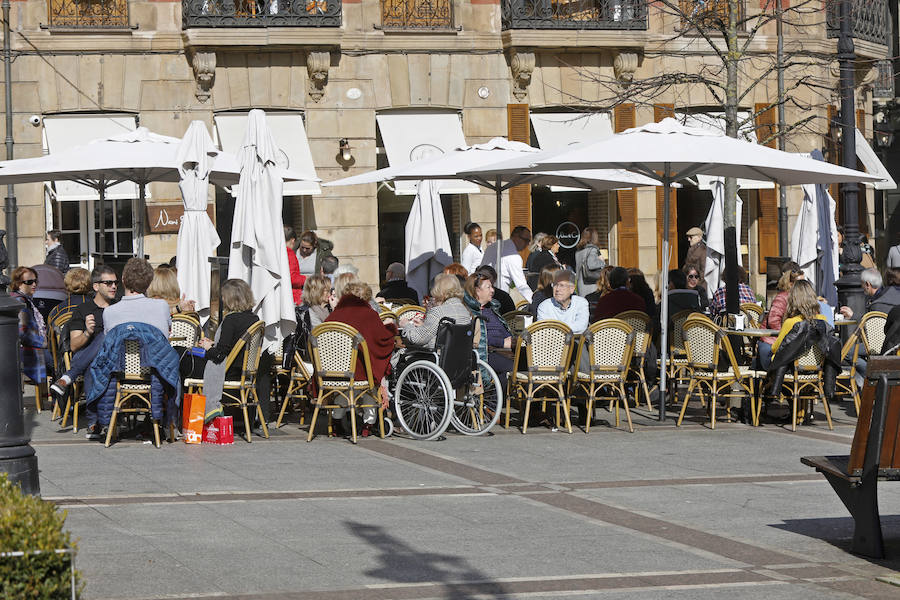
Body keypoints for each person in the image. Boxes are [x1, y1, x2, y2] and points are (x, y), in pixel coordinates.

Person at [49, 266, 119, 438]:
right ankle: (94, 423)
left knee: (104, 338)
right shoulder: (83, 310)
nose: (114, 286)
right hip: (87, 357)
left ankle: (68, 377)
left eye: (115, 282)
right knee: (93, 363)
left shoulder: (119, 308)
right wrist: (88, 332)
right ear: (96, 286)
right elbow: (73, 345)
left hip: (114, 359)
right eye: (108, 283)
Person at [326, 282, 398, 436]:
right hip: (360, 372)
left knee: (345, 389)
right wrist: (391, 329)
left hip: (334, 371)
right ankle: (368, 424)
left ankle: (337, 419)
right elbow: (381, 340)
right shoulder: (369, 315)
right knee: (370, 386)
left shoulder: (334, 315)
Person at [193, 279, 261, 423]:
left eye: (223, 296)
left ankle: (191, 419)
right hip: (244, 371)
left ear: (230, 298)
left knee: (187, 362)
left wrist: (208, 347)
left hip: (227, 370)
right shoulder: (254, 319)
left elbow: (219, 356)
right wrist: (213, 344)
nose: (222, 300)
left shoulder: (231, 320)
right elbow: (233, 344)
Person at [767, 280, 841, 409]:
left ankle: (762, 409)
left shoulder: (791, 322)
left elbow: (776, 348)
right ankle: (802, 412)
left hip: (792, 370)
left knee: (762, 360)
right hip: (816, 370)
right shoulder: (823, 321)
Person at [463, 272, 513, 391]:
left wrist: (512, 340)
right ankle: (492, 402)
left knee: (527, 364)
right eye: (488, 287)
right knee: (511, 368)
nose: (492, 290)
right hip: (482, 354)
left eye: (492, 287)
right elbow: (474, 338)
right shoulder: (469, 311)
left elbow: (502, 329)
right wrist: (501, 343)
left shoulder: (491, 309)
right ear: (476, 291)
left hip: (501, 351)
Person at [103, 258, 172, 337]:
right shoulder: (162, 306)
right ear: (149, 282)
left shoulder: (109, 312)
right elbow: (168, 332)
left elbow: (109, 343)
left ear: (123, 279)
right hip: (155, 349)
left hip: (123, 349)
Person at [400, 274, 471, 349]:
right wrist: (423, 326)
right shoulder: (465, 311)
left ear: (439, 290)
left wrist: (407, 325)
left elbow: (417, 339)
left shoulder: (438, 312)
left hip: (435, 356)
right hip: (457, 357)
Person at [758, 262, 804, 370]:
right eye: (800, 283)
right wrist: (788, 334)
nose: (804, 286)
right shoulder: (782, 298)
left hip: (790, 342)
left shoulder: (802, 298)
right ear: (792, 284)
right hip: (773, 342)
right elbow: (773, 321)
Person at [10, 266, 47, 386]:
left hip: (28, 351)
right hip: (27, 355)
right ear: (18, 284)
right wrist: (43, 342)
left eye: (36, 281)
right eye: (29, 282)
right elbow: (22, 333)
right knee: (61, 363)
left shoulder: (25, 300)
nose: (34, 284)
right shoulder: (20, 302)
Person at [480, 225, 533, 303]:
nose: (527, 244)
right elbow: (521, 286)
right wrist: (535, 302)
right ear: (515, 236)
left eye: (529, 241)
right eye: (526, 240)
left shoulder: (492, 247)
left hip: (481, 293)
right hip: (498, 297)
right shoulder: (514, 256)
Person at [536, 269, 589, 334]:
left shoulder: (581, 303)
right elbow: (544, 330)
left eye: (562, 285)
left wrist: (555, 327)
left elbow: (581, 327)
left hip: (576, 343)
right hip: (552, 342)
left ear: (572, 289)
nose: (557, 289)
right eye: (555, 285)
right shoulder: (544, 306)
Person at [574, 227, 605, 296]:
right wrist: (602, 261)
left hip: (581, 284)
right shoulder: (592, 250)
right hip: (591, 285)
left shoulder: (579, 251)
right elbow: (592, 264)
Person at [284, 226, 305, 305]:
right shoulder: (289, 253)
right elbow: (292, 278)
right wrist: (306, 279)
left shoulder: (275, 252)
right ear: (293, 240)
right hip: (292, 295)